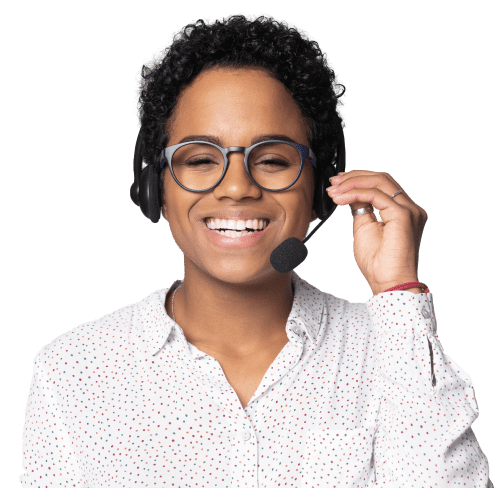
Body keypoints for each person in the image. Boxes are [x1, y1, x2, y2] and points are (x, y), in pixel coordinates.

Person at [20, 12, 493, 487]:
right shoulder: (73, 370)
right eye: (201, 159)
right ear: (154, 189)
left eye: (271, 159)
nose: (237, 187)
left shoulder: (390, 347)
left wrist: (398, 290)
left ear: (318, 190)